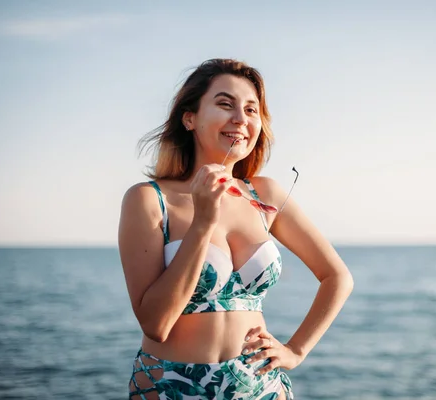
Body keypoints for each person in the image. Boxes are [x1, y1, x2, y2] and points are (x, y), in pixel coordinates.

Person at [118, 58, 354, 399]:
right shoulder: (149, 200)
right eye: (225, 104)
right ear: (190, 118)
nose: (240, 119)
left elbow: (337, 277)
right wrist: (203, 221)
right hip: (172, 385)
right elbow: (155, 324)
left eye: (251, 110)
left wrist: (296, 350)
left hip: (262, 387)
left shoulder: (265, 195)